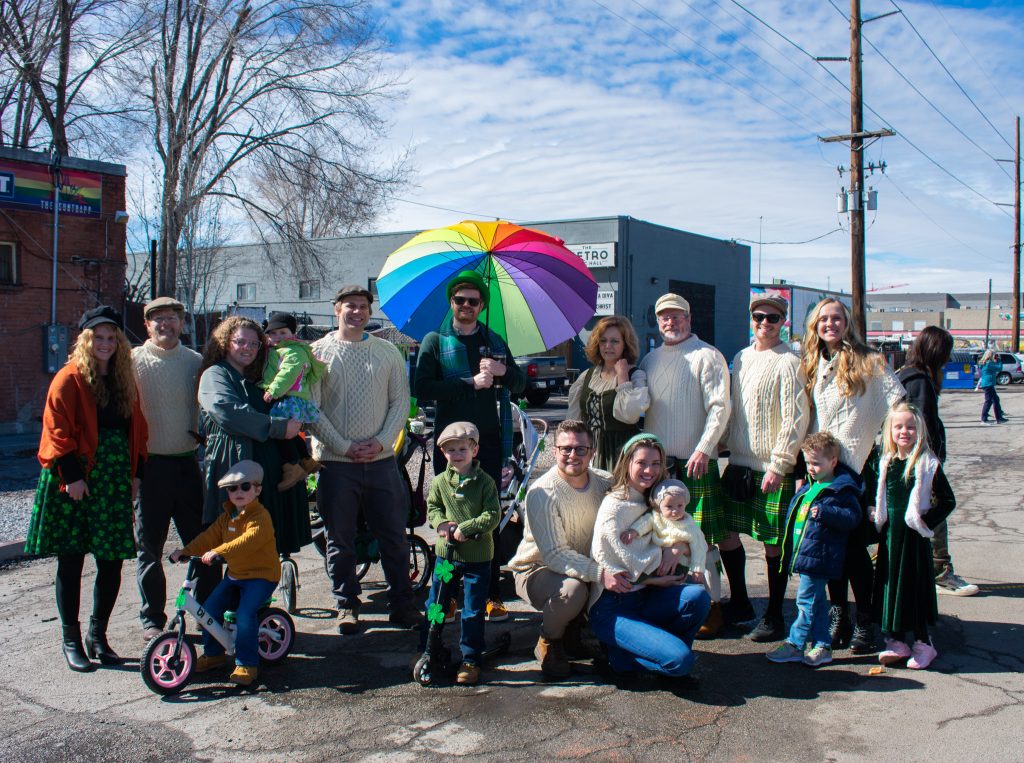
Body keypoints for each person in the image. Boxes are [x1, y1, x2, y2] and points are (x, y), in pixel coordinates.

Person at [26, 306, 148, 672]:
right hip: (76, 478)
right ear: (85, 339)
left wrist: (136, 475)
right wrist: (71, 477)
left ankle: (99, 635)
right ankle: (71, 639)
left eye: (112, 338)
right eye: (99, 337)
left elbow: (138, 432)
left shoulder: (124, 379)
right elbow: (56, 428)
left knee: (111, 561)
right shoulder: (69, 378)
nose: (106, 343)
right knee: (72, 559)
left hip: (113, 479)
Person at [415, 270, 526, 622]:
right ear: (451, 303)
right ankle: (446, 596)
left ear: (481, 305)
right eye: (459, 300)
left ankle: (491, 594)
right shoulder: (434, 341)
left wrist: (501, 370)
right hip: (449, 445)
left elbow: (520, 384)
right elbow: (423, 388)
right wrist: (470, 382)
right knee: (448, 521)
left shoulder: (494, 342)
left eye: (473, 301)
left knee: (486, 520)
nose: (466, 306)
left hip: (487, 444)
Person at [309, 284, 421, 633]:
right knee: (339, 541)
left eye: (363, 307)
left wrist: (382, 441)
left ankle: (402, 604)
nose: (356, 312)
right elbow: (311, 409)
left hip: (381, 461)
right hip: (336, 464)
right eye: (349, 306)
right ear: (336, 309)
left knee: (394, 538)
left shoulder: (387, 352)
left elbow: (400, 403)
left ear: (369, 312)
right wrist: (344, 446)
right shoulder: (316, 353)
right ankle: (346, 606)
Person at [800, 297, 904, 654]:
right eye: (823, 319)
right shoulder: (815, 362)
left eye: (836, 318)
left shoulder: (870, 360)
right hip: (823, 471)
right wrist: (807, 468)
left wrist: (897, 445)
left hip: (853, 472)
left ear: (847, 323)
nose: (830, 324)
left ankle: (865, 621)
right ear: (815, 326)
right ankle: (838, 615)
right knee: (832, 549)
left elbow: (897, 403)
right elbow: (813, 420)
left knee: (856, 551)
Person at [639, 293, 731, 638]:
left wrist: (705, 448)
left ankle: (714, 605)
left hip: (696, 462)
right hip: (660, 469)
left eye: (677, 316)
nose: (670, 322)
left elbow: (720, 407)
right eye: (664, 317)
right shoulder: (649, 361)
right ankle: (672, 602)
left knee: (702, 541)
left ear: (689, 320)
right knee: (661, 538)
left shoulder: (707, 356)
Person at [720, 294, 809, 643]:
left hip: (772, 467)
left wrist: (780, 463)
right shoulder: (741, 358)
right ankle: (741, 603)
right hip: (739, 462)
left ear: (783, 321)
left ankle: (774, 614)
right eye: (759, 316)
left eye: (773, 318)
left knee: (773, 543)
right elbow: (735, 408)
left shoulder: (790, 361)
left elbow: (795, 419)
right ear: (751, 318)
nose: (765, 323)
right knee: (726, 533)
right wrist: (721, 442)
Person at [589, 433, 712, 684]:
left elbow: (689, 531)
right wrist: (655, 573)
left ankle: (658, 648)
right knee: (681, 661)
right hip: (615, 605)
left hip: (647, 597)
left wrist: (676, 546)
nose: (650, 470)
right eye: (642, 463)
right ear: (627, 463)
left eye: (656, 464)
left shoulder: (660, 497)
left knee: (698, 597)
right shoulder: (615, 506)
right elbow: (614, 558)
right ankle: (620, 659)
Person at [508, 420, 621, 680]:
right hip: (538, 570)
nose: (573, 455)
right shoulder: (542, 492)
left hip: (583, 566)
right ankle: (549, 640)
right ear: (555, 450)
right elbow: (555, 555)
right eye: (565, 448)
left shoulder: (606, 482)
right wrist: (601, 574)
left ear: (592, 452)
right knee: (573, 591)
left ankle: (574, 628)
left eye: (581, 449)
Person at [132, 296, 217, 641]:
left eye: (172, 319)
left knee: (202, 543)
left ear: (182, 323)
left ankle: (204, 608)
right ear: (147, 325)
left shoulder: (196, 363)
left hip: (186, 466)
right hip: (150, 467)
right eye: (158, 320)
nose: (166, 325)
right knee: (148, 547)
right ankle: (152, 616)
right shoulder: (132, 362)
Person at [198, 317, 310, 556]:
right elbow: (227, 411)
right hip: (233, 464)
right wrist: (279, 427)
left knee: (266, 543)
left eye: (254, 344)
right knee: (237, 546)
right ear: (227, 343)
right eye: (241, 342)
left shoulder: (260, 377)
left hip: (265, 467)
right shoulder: (215, 375)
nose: (248, 348)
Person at [170, 460, 280, 687]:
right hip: (236, 575)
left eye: (245, 487)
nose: (238, 492)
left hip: (261, 576)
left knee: (245, 614)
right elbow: (208, 537)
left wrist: (217, 552)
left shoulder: (260, 517)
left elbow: (246, 542)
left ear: (257, 489)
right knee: (208, 609)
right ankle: (214, 655)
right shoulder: (226, 518)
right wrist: (186, 551)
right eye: (233, 488)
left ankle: (248, 663)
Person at [869, 402, 957, 670]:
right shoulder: (884, 462)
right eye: (898, 426)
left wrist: (923, 522)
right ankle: (896, 640)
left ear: (919, 430)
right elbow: (876, 494)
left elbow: (947, 500)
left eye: (910, 426)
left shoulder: (927, 463)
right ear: (890, 430)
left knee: (915, 587)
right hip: (890, 539)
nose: (904, 431)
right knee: (891, 586)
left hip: (914, 542)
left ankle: (923, 642)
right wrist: (874, 512)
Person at [767, 432, 862, 668]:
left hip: (821, 558)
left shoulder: (840, 490)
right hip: (806, 556)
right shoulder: (810, 486)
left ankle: (795, 643)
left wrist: (827, 513)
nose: (810, 468)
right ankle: (822, 646)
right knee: (818, 603)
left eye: (816, 463)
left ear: (833, 462)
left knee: (805, 602)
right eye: (808, 462)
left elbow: (853, 517)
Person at [417, 422, 500, 686]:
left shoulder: (485, 482)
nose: (457, 454)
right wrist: (442, 525)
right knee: (437, 604)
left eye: (463, 448)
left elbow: (492, 515)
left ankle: (470, 658)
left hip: (477, 557)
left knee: (472, 610)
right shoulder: (441, 482)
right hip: (447, 557)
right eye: (451, 450)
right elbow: (433, 509)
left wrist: (467, 528)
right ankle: (429, 646)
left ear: (474, 450)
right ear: (444, 453)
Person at [897, 327, 978, 597]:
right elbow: (918, 424)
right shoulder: (919, 380)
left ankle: (925, 568)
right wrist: (928, 464)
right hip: (921, 461)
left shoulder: (911, 374)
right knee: (938, 510)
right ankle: (940, 572)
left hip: (917, 460)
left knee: (919, 512)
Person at [567, 315, 649, 471]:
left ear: (626, 345)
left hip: (621, 453)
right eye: (603, 341)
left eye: (615, 341)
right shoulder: (587, 376)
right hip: (589, 451)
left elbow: (630, 415)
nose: (608, 346)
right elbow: (573, 419)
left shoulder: (636, 376)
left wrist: (623, 378)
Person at [260, 310, 326, 490]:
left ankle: (291, 467)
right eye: (273, 333)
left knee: (282, 434)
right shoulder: (281, 349)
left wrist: (274, 389)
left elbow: (288, 372)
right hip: (291, 397)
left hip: (287, 397)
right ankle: (306, 460)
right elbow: (309, 377)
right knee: (291, 433)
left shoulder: (292, 351)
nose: (277, 336)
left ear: (292, 334)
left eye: (283, 333)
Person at [621, 479, 708, 582]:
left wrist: (698, 569)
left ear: (685, 504)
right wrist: (633, 531)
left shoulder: (690, 526)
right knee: (645, 568)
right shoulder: (656, 517)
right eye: (669, 507)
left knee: (675, 577)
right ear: (659, 506)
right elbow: (645, 522)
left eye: (680, 506)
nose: (675, 511)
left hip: (678, 564)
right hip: (655, 557)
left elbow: (700, 547)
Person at [977, 349, 1008, 425]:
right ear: (991, 355)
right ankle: (984, 419)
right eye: (994, 354)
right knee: (988, 401)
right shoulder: (988, 363)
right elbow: (999, 368)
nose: (995, 356)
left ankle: (999, 418)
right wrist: (999, 360)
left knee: (995, 399)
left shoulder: (985, 363)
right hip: (988, 384)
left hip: (987, 384)